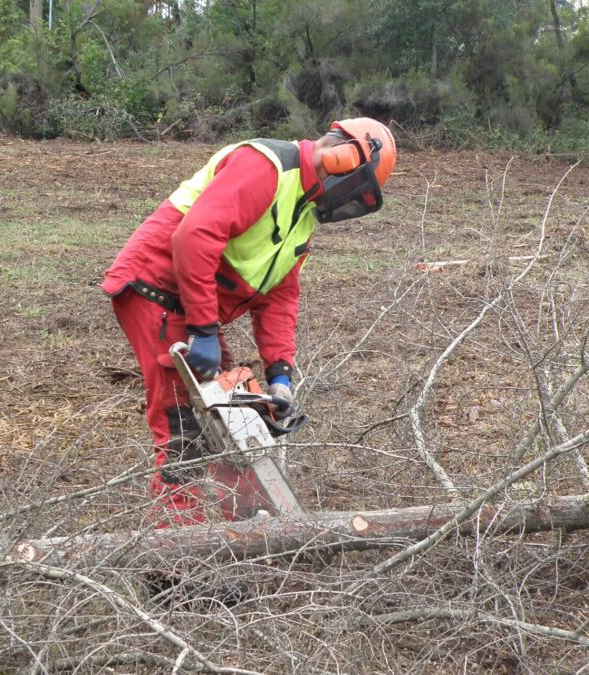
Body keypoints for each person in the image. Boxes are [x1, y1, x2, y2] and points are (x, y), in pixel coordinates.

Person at [102, 117, 397, 525]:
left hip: (191, 306)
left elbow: (280, 294)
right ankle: (170, 565)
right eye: (356, 190)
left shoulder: (303, 213)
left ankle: (243, 533)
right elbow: (195, 236)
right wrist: (204, 330)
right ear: (343, 160)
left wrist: (280, 372)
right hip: (157, 289)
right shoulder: (266, 167)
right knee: (186, 429)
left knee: (237, 417)